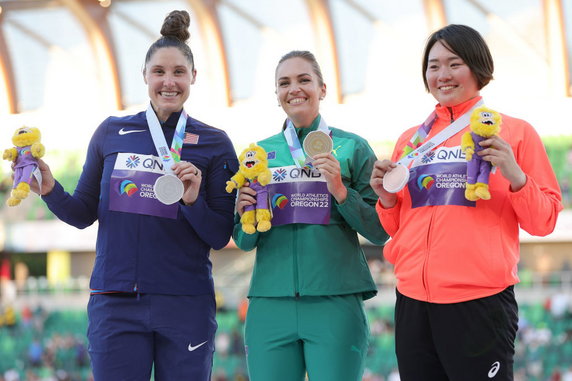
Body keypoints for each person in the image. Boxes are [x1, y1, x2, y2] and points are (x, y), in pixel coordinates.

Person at [25, 10, 238, 381]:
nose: (168, 82)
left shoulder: (215, 143)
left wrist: (192, 201)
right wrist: (50, 190)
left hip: (185, 302)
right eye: (159, 72)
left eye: (178, 72)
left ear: (193, 78)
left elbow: (220, 234)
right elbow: (82, 212)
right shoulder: (111, 132)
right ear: (144, 76)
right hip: (115, 301)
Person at [370, 24, 563, 381]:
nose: (442, 75)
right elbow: (395, 228)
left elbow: (545, 221)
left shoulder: (514, 133)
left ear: (478, 67)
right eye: (433, 65)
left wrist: (515, 175)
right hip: (412, 300)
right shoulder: (410, 142)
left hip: (478, 302)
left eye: (453, 63)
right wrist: (385, 198)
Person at [233, 50, 389, 381]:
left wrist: (341, 192)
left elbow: (381, 230)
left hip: (334, 300)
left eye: (304, 80)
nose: (295, 89)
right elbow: (245, 241)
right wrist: (244, 210)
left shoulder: (352, 147)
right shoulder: (257, 153)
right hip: (269, 302)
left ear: (322, 89)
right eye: (284, 83)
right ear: (277, 95)